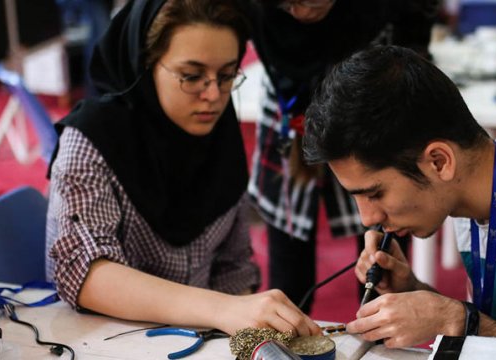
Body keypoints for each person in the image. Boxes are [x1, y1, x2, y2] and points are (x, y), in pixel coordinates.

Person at [44, 0, 319, 337]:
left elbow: (233, 267)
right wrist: (222, 310)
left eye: (228, 74)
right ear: (146, 63)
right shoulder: (91, 140)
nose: (214, 95)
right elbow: (86, 273)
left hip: (199, 340)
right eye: (191, 76)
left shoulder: (219, 132)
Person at [302, 45, 496, 357]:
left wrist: (456, 320)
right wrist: (414, 291)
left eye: (375, 193)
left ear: (439, 162)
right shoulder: (471, 190)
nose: (368, 219)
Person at [244, 0, 438, 312]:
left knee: (382, 262)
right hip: (287, 112)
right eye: (290, 4)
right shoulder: (262, 14)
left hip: (377, 106)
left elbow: (415, 35)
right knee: (288, 262)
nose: (305, 12)